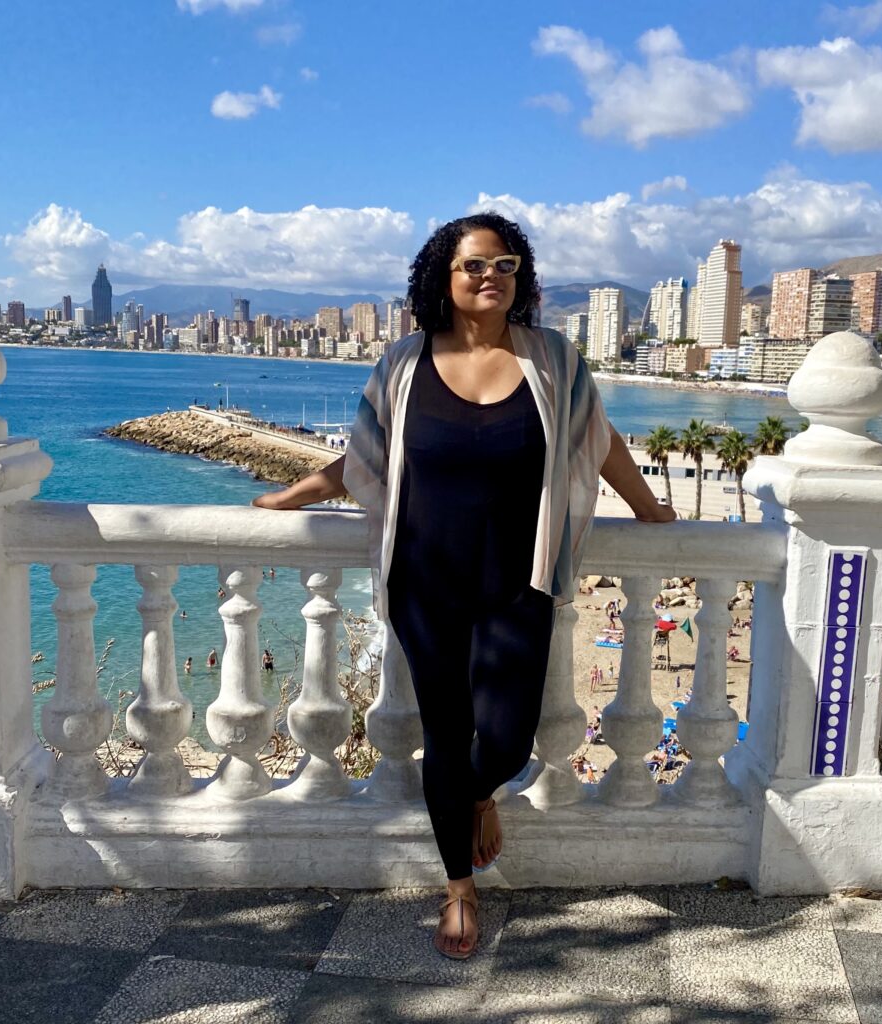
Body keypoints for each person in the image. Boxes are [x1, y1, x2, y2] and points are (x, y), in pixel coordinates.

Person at [250, 212, 675, 960]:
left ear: (522, 278)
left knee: (507, 741)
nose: (490, 277)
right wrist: (294, 496)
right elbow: (363, 461)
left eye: (505, 265)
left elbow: (596, 439)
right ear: (442, 278)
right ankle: (458, 890)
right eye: (474, 265)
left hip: (522, 581)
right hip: (425, 583)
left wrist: (645, 507)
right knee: (445, 736)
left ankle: (481, 795)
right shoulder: (404, 364)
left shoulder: (555, 360)